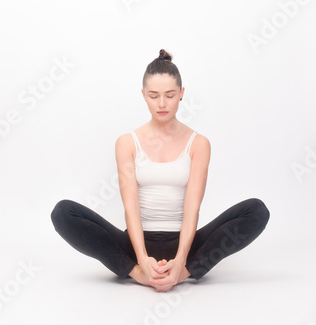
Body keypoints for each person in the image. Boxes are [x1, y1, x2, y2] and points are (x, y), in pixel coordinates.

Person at [50, 49, 270, 292]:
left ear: (182, 94)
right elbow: (130, 208)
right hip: (135, 246)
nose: (162, 104)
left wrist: (181, 263)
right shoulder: (127, 143)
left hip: (186, 245)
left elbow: (192, 208)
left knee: (257, 210)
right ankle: (136, 274)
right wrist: (141, 262)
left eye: (170, 95)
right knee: (63, 212)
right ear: (143, 95)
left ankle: (184, 272)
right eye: (154, 96)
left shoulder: (199, 144)